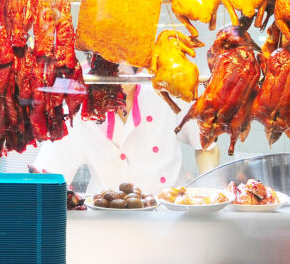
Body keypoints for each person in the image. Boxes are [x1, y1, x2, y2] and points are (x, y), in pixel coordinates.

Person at [33, 73, 219, 195]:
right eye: (112, 61)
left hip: (168, 216)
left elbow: (206, 146)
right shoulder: (78, 111)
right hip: (106, 219)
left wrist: (210, 196)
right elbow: (47, 177)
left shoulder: (167, 93)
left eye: (129, 59)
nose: (122, 70)